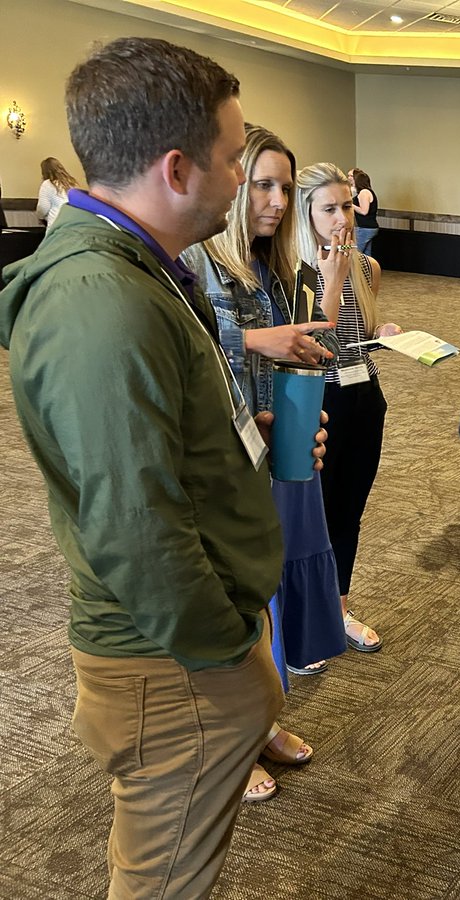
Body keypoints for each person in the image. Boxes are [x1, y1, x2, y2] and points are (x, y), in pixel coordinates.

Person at [0, 37, 324, 897]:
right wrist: (227, 659)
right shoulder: (100, 303)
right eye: (230, 160)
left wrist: (233, 433)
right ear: (176, 169)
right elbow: (134, 527)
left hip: (178, 656)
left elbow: (151, 449)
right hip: (169, 664)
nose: (238, 181)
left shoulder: (136, 271)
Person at [184, 123, 341, 802]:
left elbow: (292, 353)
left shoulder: (272, 267)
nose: (277, 200)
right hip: (214, 459)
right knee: (231, 608)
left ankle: (265, 717)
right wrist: (257, 340)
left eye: (285, 185)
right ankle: (231, 744)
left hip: (264, 447)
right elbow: (181, 344)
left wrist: (305, 414)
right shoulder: (197, 261)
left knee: (265, 595)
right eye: (263, 184)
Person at [296, 162, 398, 654]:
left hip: (363, 397)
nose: (343, 218)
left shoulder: (366, 267)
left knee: (349, 510)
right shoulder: (295, 270)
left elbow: (354, 334)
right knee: (310, 514)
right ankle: (302, 619)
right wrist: (330, 280)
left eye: (347, 206)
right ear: (307, 214)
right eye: (329, 208)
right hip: (317, 401)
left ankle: (336, 609)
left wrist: (384, 334)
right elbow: (313, 342)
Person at [35, 157, 78, 228]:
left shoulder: (48, 184)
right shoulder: (72, 183)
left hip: (56, 225)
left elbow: (43, 208)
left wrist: (40, 217)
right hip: (71, 224)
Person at [352, 168, 379, 257]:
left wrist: (350, 204)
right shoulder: (369, 191)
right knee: (366, 256)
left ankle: (357, 271)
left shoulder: (364, 192)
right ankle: (368, 271)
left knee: (356, 254)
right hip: (370, 227)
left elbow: (364, 211)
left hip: (365, 228)